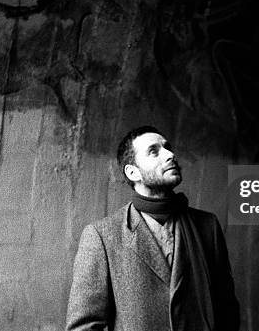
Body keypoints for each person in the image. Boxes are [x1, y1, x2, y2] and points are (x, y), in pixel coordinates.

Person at [66, 126, 240, 331]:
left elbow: (227, 311)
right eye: (154, 151)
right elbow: (84, 327)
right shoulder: (102, 236)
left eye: (167, 147)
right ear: (133, 172)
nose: (170, 154)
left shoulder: (207, 226)